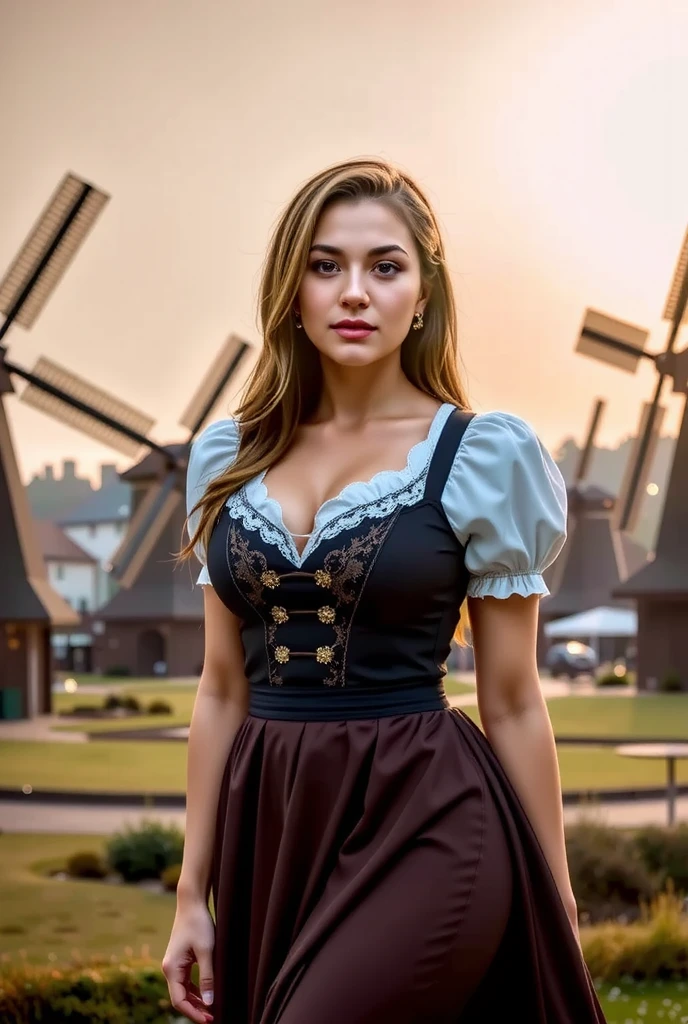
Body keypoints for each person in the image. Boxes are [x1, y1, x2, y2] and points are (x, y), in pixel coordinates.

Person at [163, 157, 607, 1023]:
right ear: (292, 291)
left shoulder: (481, 457)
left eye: (385, 266)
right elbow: (221, 688)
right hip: (278, 821)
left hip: (432, 813)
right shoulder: (225, 458)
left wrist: (556, 897)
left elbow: (513, 700)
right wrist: (191, 896)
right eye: (326, 266)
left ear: (423, 293)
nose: (354, 291)